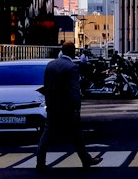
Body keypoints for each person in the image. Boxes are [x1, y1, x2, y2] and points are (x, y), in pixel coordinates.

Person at [35, 43, 102, 171]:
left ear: (62, 51)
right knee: (77, 135)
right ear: (72, 52)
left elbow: (46, 87)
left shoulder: (50, 65)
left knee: (47, 134)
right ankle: (86, 160)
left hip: (53, 106)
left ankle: (40, 162)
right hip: (68, 108)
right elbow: (74, 90)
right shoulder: (72, 67)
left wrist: (49, 104)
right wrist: (77, 108)